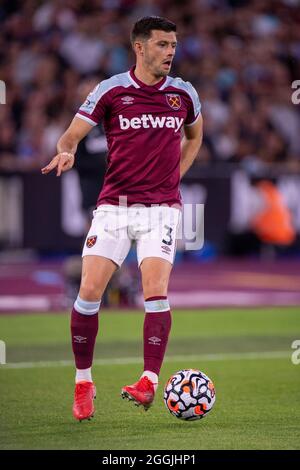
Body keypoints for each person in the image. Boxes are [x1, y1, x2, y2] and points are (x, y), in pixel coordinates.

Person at [41, 16, 203, 422]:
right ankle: (83, 383)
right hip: (114, 206)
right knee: (89, 292)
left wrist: (175, 177)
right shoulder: (112, 90)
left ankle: (149, 382)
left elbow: (195, 135)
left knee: (155, 290)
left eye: (173, 44)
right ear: (140, 47)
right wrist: (67, 150)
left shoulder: (183, 94)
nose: (170, 52)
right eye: (163, 45)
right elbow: (71, 135)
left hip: (161, 208)